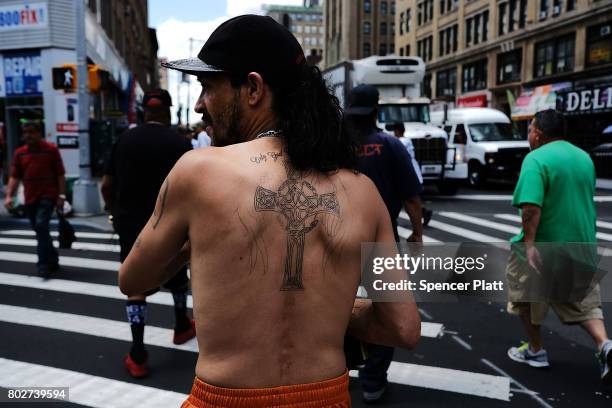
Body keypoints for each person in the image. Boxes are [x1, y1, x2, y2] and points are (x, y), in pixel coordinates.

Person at [120, 14, 420, 407]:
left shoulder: (200, 171)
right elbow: (403, 327)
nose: (198, 106)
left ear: (253, 88)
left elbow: (133, 280)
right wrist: (332, 310)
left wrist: (192, 246)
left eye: (208, 87)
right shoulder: (363, 193)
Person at [505, 109, 612, 386]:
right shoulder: (583, 158)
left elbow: (531, 207)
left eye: (529, 129)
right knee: (585, 304)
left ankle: (536, 350)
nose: (529, 135)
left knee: (526, 299)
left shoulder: (535, 158)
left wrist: (529, 245)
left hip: (544, 247)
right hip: (582, 243)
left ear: (538, 133)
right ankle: (605, 346)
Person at [101, 89, 196, 378]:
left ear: (144, 111)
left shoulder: (124, 140)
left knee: (135, 286)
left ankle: (138, 352)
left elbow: (107, 184)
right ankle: (181, 325)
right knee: (178, 277)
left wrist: (113, 211)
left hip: (131, 224)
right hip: (170, 223)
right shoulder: (179, 144)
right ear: (168, 111)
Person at [346, 87, 423, 402]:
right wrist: (417, 232)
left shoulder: (336, 147)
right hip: (383, 241)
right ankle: (374, 379)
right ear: (376, 109)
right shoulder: (390, 145)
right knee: (386, 307)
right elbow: (412, 198)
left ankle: (340, 365)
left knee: (335, 304)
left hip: (336, 242)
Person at [4, 120, 66, 278]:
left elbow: (60, 174)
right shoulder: (20, 153)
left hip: (48, 195)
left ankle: (43, 264)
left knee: (40, 226)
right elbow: (15, 176)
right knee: (40, 230)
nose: (28, 135)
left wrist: (61, 196)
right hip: (30, 198)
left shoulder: (51, 150)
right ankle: (53, 258)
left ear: (39, 133)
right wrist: (9, 195)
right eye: (25, 132)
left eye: (31, 132)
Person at [392, 122, 433, 227]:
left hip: (407, 175)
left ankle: (423, 212)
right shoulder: (407, 140)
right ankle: (423, 212)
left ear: (397, 131)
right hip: (413, 173)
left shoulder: (400, 142)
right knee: (408, 199)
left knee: (405, 200)